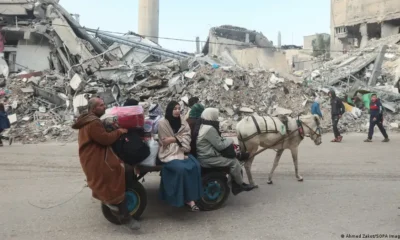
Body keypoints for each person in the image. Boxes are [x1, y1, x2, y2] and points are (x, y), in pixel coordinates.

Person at [72, 97, 140, 230]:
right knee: (119, 170)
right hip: (95, 159)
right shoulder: (93, 123)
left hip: (92, 156)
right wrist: (119, 131)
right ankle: (121, 210)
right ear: (93, 109)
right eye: (101, 105)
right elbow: (105, 139)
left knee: (121, 167)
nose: (104, 107)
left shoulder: (91, 119)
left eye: (104, 104)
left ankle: (117, 200)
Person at [193, 108, 255, 196]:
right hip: (207, 158)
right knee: (234, 162)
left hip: (205, 154)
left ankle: (235, 182)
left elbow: (216, 141)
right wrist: (230, 140)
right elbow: (220, 145)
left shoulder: (204, 125)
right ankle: (240, 185)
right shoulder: (209, 129)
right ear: (212, 116)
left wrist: (225, 140)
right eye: (216, 115)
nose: (217, 118)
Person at [157, 101, 203, 211]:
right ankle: (181, 198)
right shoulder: (163, 124)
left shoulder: (183, 123)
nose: (177, 111)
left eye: (179, 109)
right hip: (168, 153)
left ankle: (192, 198)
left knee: (196, 166)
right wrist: (179, 140)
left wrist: (174, 139)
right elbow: (164, 142)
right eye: (175, 109)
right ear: (170, 110)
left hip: (182, 152)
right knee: (181, 169)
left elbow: (187, 138)